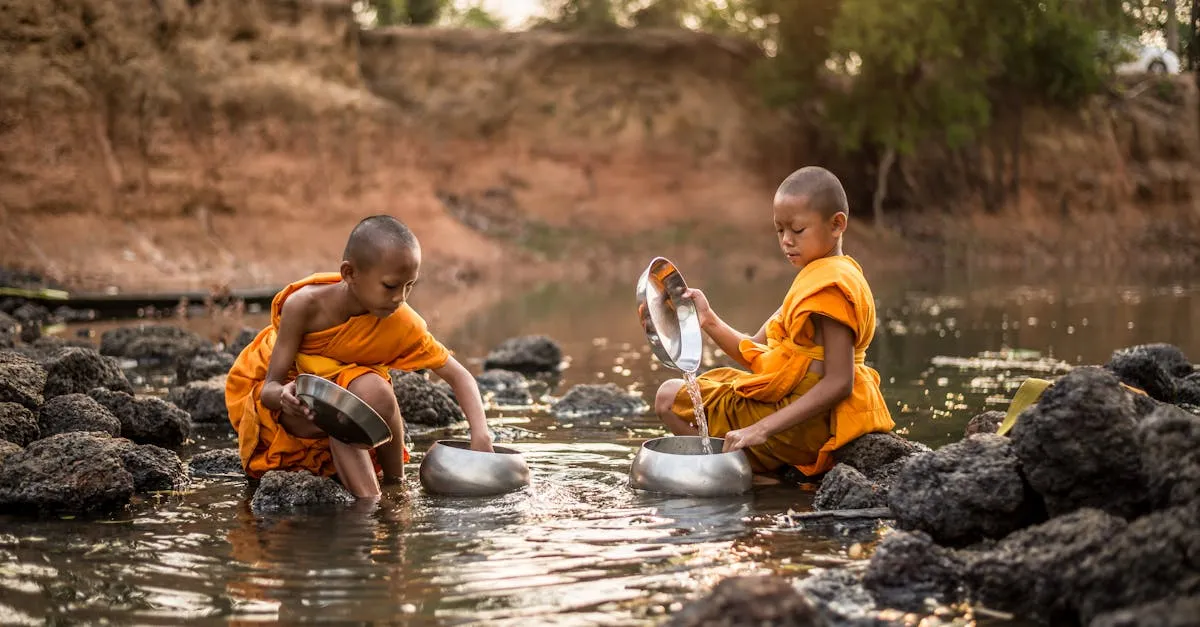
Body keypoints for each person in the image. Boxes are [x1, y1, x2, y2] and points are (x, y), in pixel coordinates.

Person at [225, 215, 494, 498]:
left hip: (355, 411)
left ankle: (394, 487)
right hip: (300, 415)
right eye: (390, 286)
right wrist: (284, 396)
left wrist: (481, 433)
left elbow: (458, 375)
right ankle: (372, 505)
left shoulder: (401, 321)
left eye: (409, 285)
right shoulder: (304, 306)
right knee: (343, 410)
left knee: (375, 389)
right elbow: (270, 389)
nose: (400, 298)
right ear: (349, 273)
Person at [654, 166, 894, 478]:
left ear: (837, 225)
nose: (786, 241)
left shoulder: (832, 286)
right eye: (780, 230)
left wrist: (760, 429)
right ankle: (760, 475)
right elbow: (754, 349)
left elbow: (839, 382)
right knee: (707, 386)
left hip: (808, 424)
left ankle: (741, 474)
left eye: (797, 230)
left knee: (668, 398)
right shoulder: (813, 279)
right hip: (792, 414)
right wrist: (708, 319)